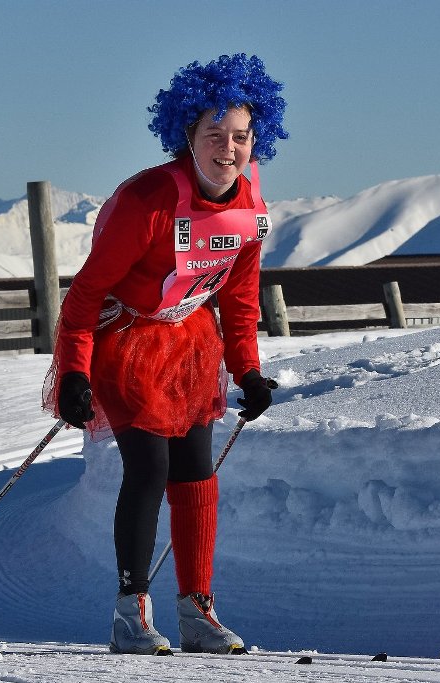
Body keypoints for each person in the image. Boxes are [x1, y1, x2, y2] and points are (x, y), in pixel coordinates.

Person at [44, 54, 287, 655]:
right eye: (214, 136)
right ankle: (132, 612)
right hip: (124, 340)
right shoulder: (149, 201)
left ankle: (197, 610)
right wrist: (74, 371)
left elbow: (238, 297)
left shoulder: (250, 209)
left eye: (240, 137)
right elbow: (87, 293)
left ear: (258, 139)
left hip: (188, 345)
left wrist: (248, 369)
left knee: (197, 475)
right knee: (149, 467)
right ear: (188, 136)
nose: (227, 149)